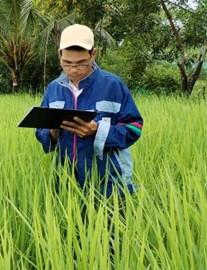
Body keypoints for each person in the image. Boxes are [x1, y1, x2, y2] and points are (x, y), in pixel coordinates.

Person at [34, 24, 143, 196]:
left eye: (81, 63)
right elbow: (41, 132)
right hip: (67, 181)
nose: (74, 69)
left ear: (93, 54)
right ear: (59, 55)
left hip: (109, 180)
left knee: (111, 222)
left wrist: (98, 130)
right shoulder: (53, 89)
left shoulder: (112, 85)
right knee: (71, 222)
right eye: (67, 63)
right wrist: (53, 131)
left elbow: (135, 127)